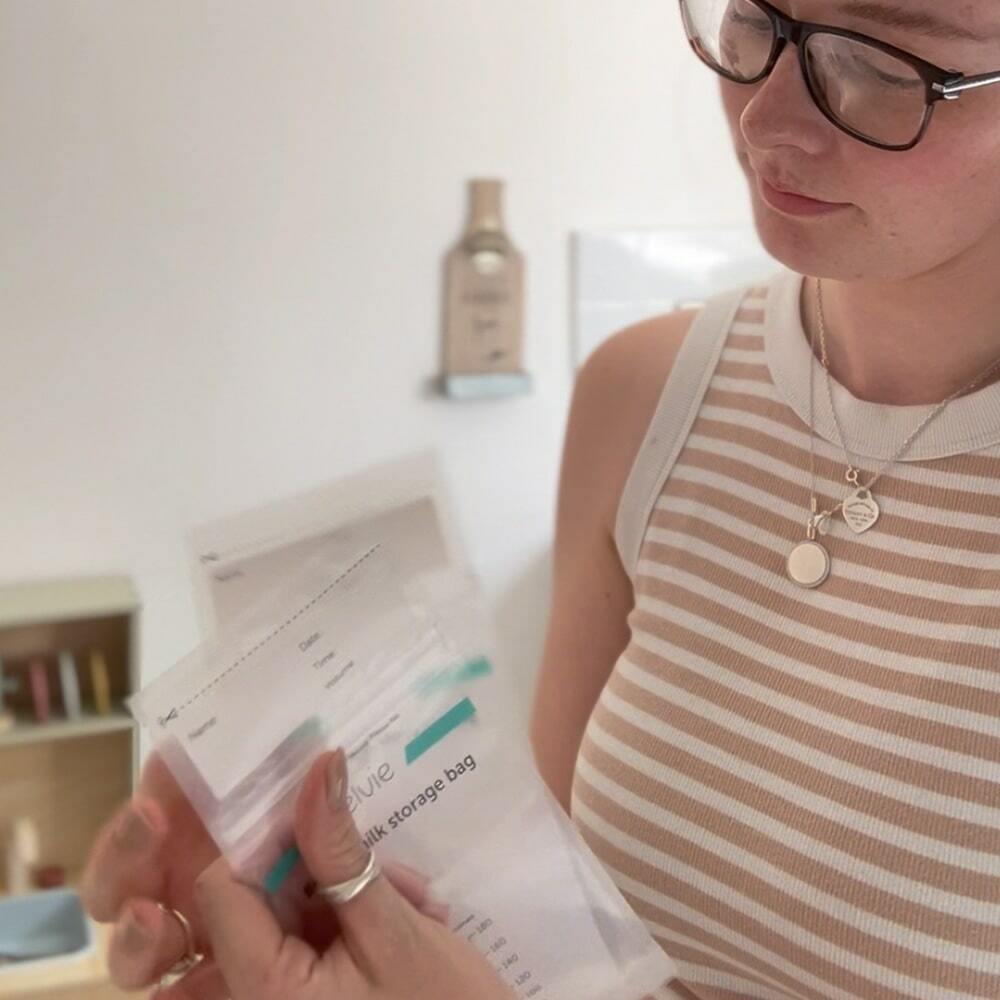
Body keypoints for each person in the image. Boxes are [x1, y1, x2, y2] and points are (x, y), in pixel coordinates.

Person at [83, 1, 1000, 997]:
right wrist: (351, 918)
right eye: (752, 20)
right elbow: (563, 956)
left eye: (877, 62)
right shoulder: (649, 394)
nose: (764, 117)